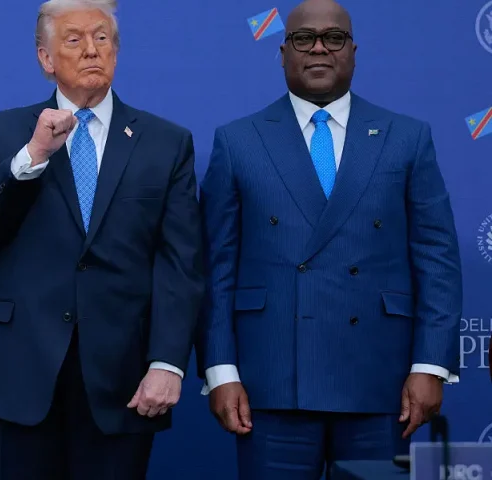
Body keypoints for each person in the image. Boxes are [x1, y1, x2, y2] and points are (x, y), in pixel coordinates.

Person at [197, 0, 462, 478]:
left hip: (380, 382)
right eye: (304, 38)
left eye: (333, 38)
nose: (319, 48)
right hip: (270, 381)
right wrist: (221, 370)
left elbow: (437, 260)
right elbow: (216, 268)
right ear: (282, 52)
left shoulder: (407, 138)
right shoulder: (238, 141)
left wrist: (430, 366)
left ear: (353, 51)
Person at [0, 0, 203, 477]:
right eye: (74, 39)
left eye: (102, 38)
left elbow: (181, 263)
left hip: (122, 377)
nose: (91, 50)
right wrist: (31, 156)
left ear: (117, 52)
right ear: (46, 59)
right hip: (18, 370)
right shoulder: (3, 133)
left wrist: (168, 361)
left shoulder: (166, 142)